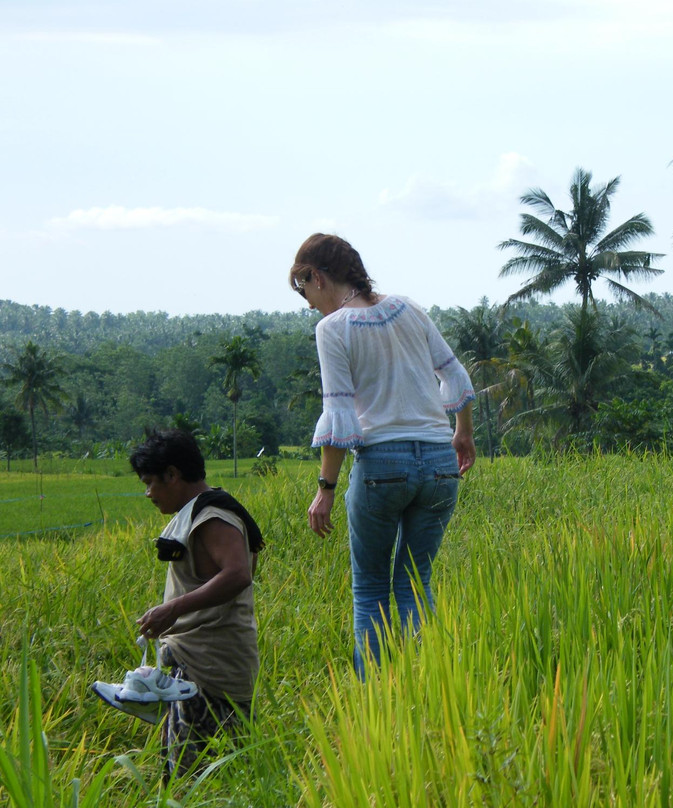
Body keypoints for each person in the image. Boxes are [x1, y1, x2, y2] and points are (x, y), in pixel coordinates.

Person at [289, 232, 475, 680]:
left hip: (381, 466)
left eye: (305, 292)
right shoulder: (409, 308)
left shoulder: (332, 329)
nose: (311, 304)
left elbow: (337, 413)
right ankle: (424, 685)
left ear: (316, 277)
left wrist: (326, 489)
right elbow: (456, 375)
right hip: (439, 464)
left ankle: (375, 697)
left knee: (371, 588)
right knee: (415, 582)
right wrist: (462, 434)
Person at [128, 428, 262, 780]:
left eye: (150, 482)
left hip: (209, 672)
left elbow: (238, 574)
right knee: (198, 776)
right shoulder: (200, 512)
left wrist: (173, 609)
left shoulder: (213, 518)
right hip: (201, 665)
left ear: (173, 475)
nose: (147, 493)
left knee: (194, 782)